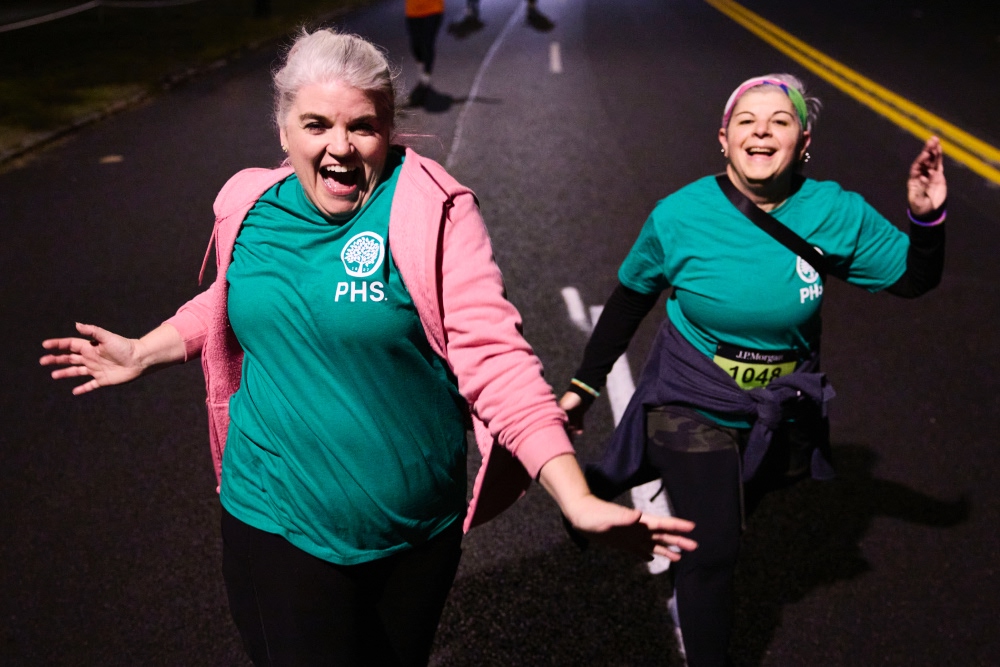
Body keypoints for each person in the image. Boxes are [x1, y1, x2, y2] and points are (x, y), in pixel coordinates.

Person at [40, 28, 697, 667]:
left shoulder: (430, 213)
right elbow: (231, 297)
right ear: (283, 130)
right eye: (317, 124)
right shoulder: (250, 204)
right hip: (273, 516)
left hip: (415, 535)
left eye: (362, 126)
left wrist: (575, 496)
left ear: (389, 129)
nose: (340, 147)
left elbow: (495, 358)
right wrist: (143, 351)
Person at [558, 74, 946, 667]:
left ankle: (605, 482)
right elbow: (632, 297)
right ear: (724, 138)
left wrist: (927, 218)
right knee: (713, 548)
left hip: (777, 408)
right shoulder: (679, 214)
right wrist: (585, 386)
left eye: (779, 121)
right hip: (691, 394)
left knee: (735, 508)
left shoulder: (836, 212)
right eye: (746, 120)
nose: (761, 131)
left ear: (803, 143)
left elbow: (914, 279)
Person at [405, 0, 444, 107]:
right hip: (413, 11)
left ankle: (425, 78)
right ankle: (421, 71)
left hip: (433, 9)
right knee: (416, 45)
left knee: (427, 43)